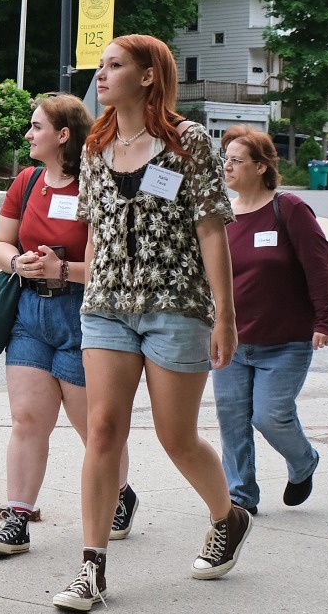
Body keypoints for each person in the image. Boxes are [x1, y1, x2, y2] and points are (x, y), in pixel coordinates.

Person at [53, 35, 252, 611]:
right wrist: (81, 286)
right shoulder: (95, 147)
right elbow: (95, 233)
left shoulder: (188, 143)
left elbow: (212, 231)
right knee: (104, 432)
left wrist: (225, 318)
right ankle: (91, 568)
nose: (102, 73)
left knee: (176, 437)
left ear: (147, 76)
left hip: (176, 307)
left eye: (115, 65)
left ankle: (227, 515)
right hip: (108, 308)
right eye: (102, 65)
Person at [0, 94, 135, 557]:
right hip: (29, 313)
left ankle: (122, 494)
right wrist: (18, 263)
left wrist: (62, 271)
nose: (28, 135)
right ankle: (18, 520)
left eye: (36, 127)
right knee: (27, 419)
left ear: (63, 135)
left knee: (95, 430)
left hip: (84, 316)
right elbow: (0, 241)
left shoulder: (97, 184)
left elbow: (113, 263)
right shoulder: (26, 182)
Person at [212, 125, 328, 516]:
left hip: (286, 341)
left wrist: (324, 320)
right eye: (224, 159)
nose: (226, 166)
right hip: (231, 341)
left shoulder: (290, 209)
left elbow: (318, 267)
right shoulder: (220, 216)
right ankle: (241, 496)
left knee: (270, 416)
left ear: (262, 166)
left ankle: (304, 462)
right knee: (232, 420)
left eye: (236, 160)